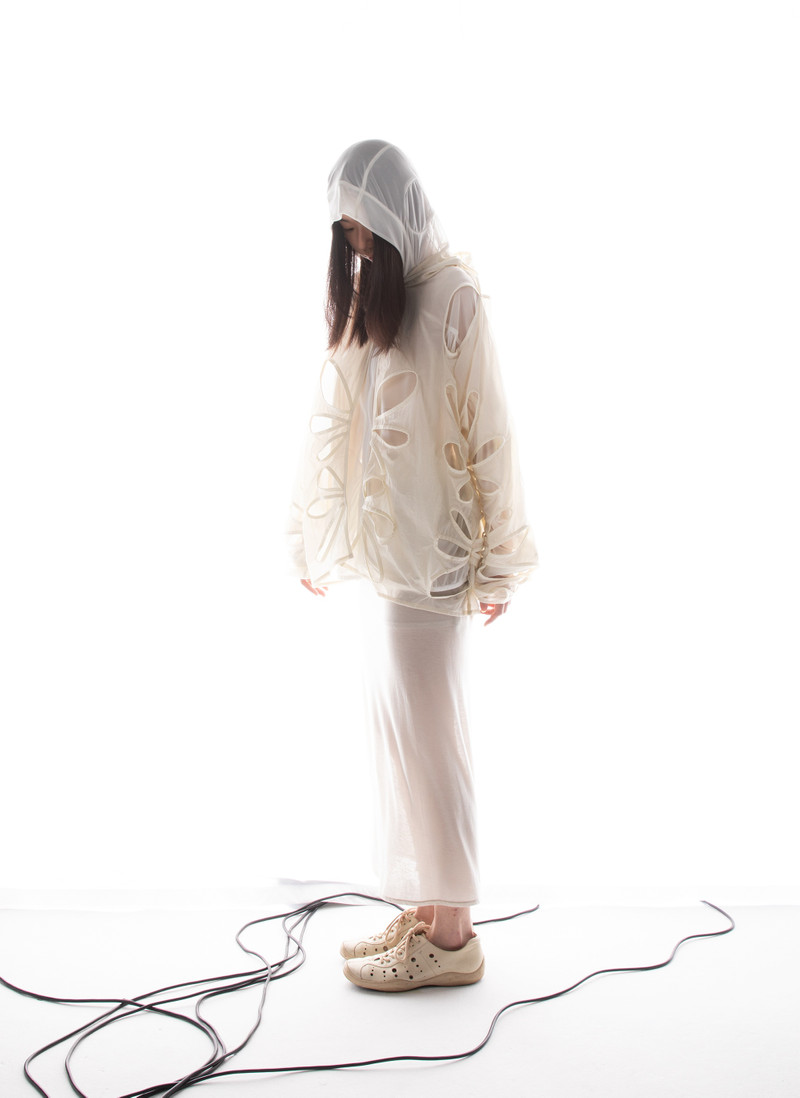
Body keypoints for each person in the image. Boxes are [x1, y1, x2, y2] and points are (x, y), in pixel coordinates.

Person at [287, 140, 538, 991]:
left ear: (395, 211)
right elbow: (341, 418)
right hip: (390, 557)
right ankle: (432, 916)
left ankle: (455, 939)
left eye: (361, 227)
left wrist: (500, 561)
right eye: (344, 233)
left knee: (433, 748)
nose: (355, 245)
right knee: (404, 743)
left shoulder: (453, 292)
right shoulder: (383, 294)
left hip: (434, 557)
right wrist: (316, 535)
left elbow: (489, 428)